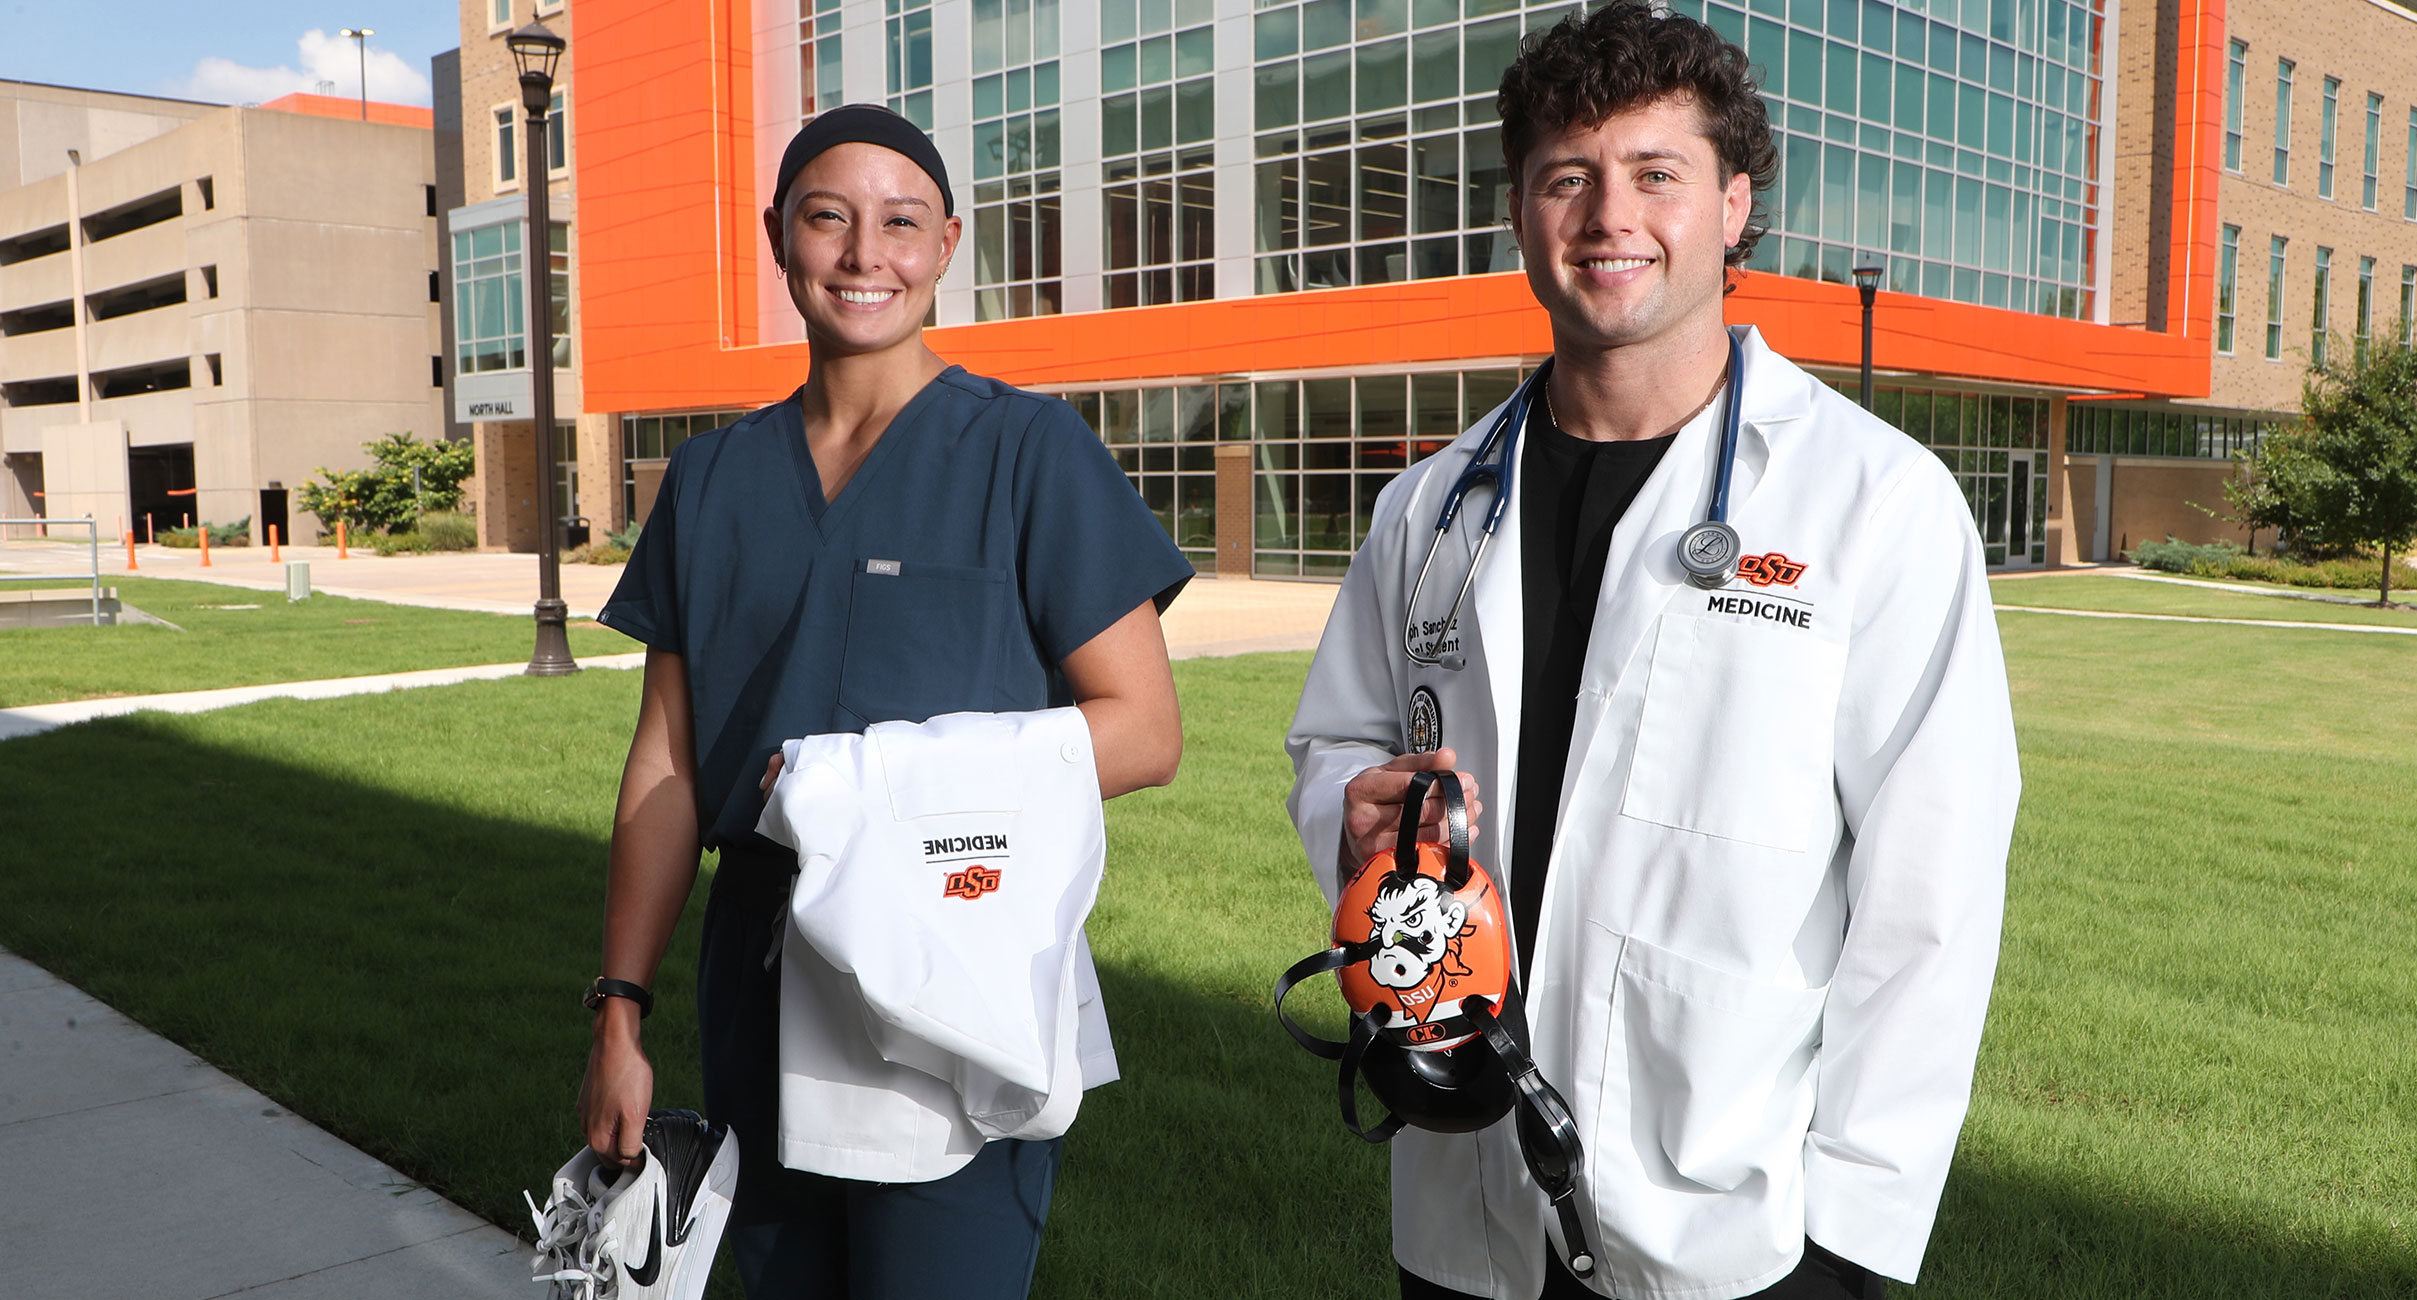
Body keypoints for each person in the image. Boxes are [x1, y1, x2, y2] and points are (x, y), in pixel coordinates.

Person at [1284, 5, 2019, 1299]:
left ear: (1734, 207)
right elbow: (1339, 735)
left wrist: (1851, 1235)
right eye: (1567, 177)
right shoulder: (1432, 505)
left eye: (1655, 174)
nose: (1608, 216)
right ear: (1522, 213)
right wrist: (1347, 810)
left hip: (1736, 1224)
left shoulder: (1871, 503)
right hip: (1465, 1204)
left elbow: (1934, 897)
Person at [576, 104, 1194, 1299]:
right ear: (778, 238)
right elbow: (664, 767)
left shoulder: (1028, 451)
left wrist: (872, 786)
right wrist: (620, 1011)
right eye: (828, 219)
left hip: (954, 954)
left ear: (947, 244)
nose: (866, 256)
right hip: (758, 972)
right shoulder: (710, 480)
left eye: (901, 223)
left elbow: (1145, 728)